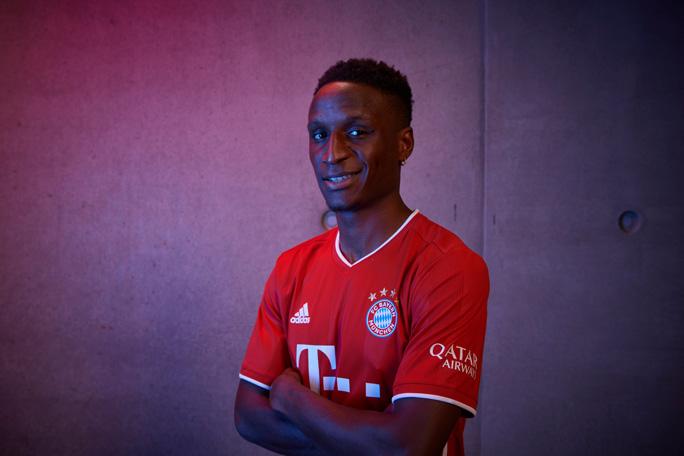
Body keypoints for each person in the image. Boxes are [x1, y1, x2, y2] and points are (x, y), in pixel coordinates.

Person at [234, 58, 489, 456]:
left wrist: (292, 398)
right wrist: (367, 442)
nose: (332, 153)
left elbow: (408, 446)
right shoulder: (292, 267)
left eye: (356, 132)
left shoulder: (448, 268)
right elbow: (249, 416)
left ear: (404, 143)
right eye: (319, 134)